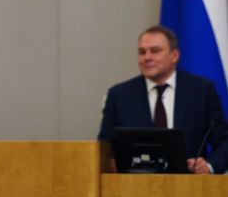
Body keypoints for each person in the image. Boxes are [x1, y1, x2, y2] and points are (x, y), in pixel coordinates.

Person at [98, 24, 228, 173]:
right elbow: (104, 147)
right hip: (134, 183)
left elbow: (224, 142)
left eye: (155, 51)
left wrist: (209, 166)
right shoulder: (119, 95)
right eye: (142, 52)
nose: (147, 57)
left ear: (174, 55)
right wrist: (111, 163)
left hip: (189, 182)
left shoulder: (202, 91)